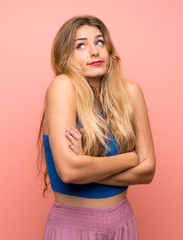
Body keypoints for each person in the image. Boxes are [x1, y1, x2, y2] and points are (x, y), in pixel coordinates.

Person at [37, 15, 156, 239]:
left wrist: (87, 168)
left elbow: (148, 171)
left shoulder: (131, 92)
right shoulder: (63, 87)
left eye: (99, 42)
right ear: (65, 57)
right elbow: (70, 171)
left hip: (123, 224)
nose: (94, 51)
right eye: (80, 45)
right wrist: (131, 159)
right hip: (73, 227)